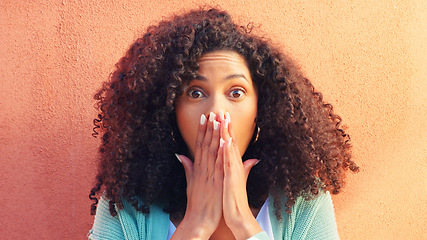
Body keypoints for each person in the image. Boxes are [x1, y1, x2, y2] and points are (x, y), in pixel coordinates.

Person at [88, 7, 359, 240]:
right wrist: (195, 226)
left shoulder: (301, 199)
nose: (217, 113)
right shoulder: (126, 204)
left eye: (236, 92)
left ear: (262, 108)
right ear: (169, 110)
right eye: (195, 93)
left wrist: (244, 223)